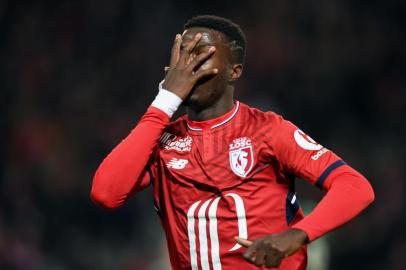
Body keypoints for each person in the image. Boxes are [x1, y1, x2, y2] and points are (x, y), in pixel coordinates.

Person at [90, 15, 374, 269]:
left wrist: (294, 236)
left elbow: (355, 187)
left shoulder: (268, 130)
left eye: (202, 56)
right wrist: (164, 102)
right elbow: (106, 193)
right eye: (183, 55)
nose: (190, 66)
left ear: (234, 72)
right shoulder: (162, 140)